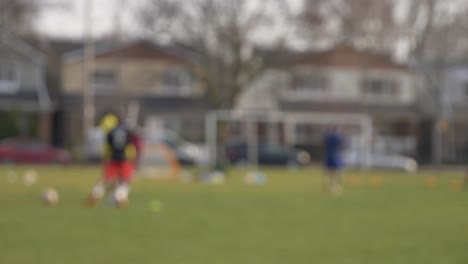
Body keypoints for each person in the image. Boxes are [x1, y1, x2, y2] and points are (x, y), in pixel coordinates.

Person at [85, 118, 137, 207]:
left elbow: (108, 146)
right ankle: (121, 197)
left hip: (113, 158)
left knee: (107, 180)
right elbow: (130, 145)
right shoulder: (127, 132)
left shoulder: (111, 132)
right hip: (124, 159)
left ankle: (96, 193)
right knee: (125, 180)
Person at [323, 128, 345, 195]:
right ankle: (337, 184)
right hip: (335, 154)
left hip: (329, 154)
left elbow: (324, 142)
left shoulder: (327, 136)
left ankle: (332, 184)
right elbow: (341, 143)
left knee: (330, 170)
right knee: (337, 169)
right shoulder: (337, 137)